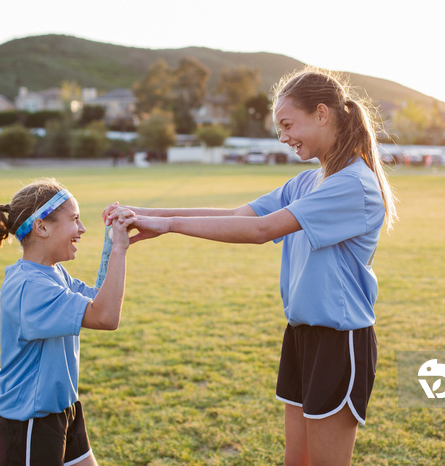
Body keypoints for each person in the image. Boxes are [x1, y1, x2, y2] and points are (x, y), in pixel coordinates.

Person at [104, 67, 398, 465]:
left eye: (288, 124)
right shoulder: (307, 182)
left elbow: (261, 230)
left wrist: (170, 225)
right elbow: (238, 214)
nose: (284, 137)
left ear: (322, 114)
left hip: (338, 341)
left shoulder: (352, 184)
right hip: (301, 335)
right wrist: (146, 215)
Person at [0, 178, 135, 466]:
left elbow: (99, 298)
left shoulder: (52, 273)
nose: (82, 229)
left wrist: (111, 245)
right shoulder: (30, 286)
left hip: (62, 410)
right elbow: (106, 316)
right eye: (75, 219)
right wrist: (120, 250)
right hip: (28, 423)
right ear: (42, 227)